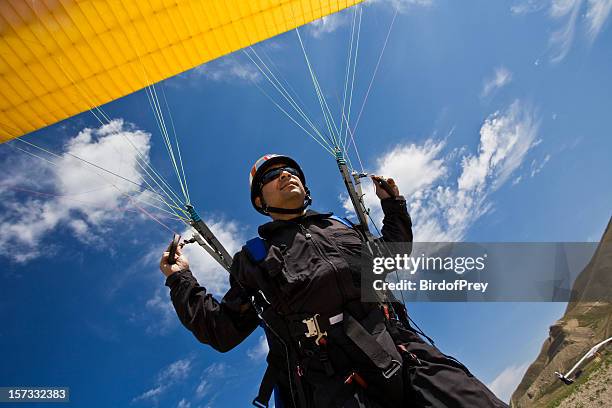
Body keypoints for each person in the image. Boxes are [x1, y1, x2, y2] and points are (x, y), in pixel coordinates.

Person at [160, 154, 508, 408]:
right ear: (259, 201)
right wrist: (181, 281)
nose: (285, 176)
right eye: (272, 176)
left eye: (291, 170)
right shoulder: (253, 258)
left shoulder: (341, 228)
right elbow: (222, 330)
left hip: (399, 349)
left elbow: (391, 257)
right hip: (332, 379)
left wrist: (394, 206)